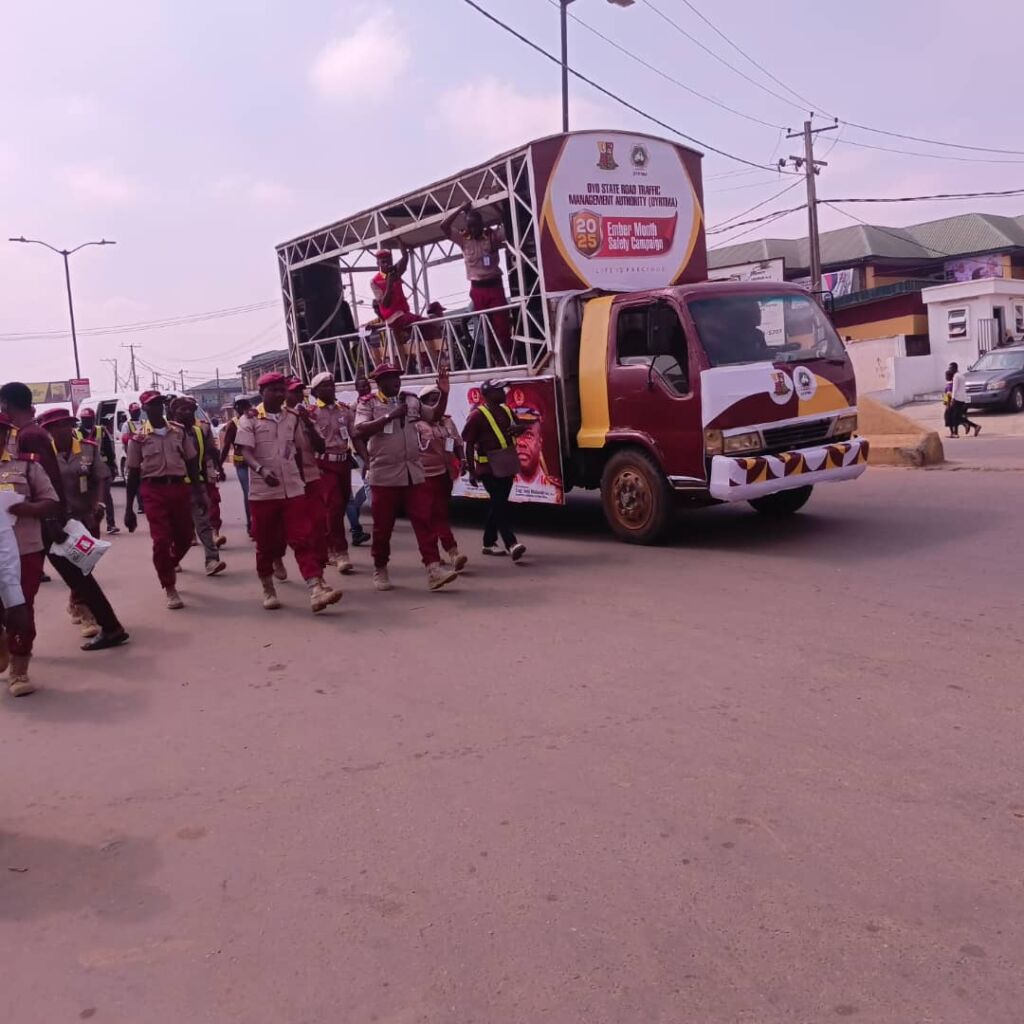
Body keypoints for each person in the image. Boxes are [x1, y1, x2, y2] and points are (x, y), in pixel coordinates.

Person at [0, 381, 128, 651]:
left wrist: (52, 520)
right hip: (47, 520)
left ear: (6, 404)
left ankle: (111, 627)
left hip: (47, 522)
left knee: (76, 577)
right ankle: (110, 625)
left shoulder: (30, 435)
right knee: (76, 577)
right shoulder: (28, 433)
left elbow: (49, 479)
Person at [234, 373, 341, 614]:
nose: (279, 394)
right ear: (262, 393)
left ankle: (316, 587)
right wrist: (261, 470)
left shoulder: (292, 417)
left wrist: (301, 479)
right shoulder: (250, 419)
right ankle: (268, 588)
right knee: (265, 544)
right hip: (263, 493)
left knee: (302, 538)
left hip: (292, 489)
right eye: (273, 390)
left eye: (282, 390)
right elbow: (245, 452)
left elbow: (298, 450)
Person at [352, 360, 459, 592]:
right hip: (384, 474)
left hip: (413, 471)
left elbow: (434, 415)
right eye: (390, 378)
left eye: (397, 377)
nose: (396, 381)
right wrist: (389, 416)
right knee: (383, 528)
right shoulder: (368, 403)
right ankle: (380, 568)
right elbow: (359, 430)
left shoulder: (410, 400)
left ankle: (433, 569)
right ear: (379, 382)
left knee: (424, 521)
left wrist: (444, 393)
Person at [125, 390, 208, 609]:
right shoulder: (138, 438)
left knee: (185, 537)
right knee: (161, 540)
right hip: (153, 490)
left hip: (179, 487)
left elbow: (192, 463)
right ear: (144, 409)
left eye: (160, 403)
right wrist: (129, 508)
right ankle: (169, 586)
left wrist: (200, 492)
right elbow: (133, 473)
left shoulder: (178, 432)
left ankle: (168, 564)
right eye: (152, 405)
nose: (157, 407)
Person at [0, 412, 61, 695]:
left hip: (24, 549)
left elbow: (51, 501)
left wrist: (28, 509)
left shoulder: (26, 465)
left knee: (21, 607)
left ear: (7, 434)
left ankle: (19, 667)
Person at [39, 407, 111, 639]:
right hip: (60, 521)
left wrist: (99, 504)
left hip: (86, 517)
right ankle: (86, 612)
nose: (62, 430)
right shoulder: (43, 456)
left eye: (66, 424)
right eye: (55, 427)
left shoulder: (88, 448)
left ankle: (75, 601)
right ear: (49, 431)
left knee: (86, 563)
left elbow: (101, 478)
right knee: (74, 566)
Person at [309, 370, 370, 574]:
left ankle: (328, 546)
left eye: (332, 385)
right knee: (334, 507)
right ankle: (341, 552)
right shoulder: (312, 413)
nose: (330, 389)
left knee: (342, 504)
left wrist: (366, 459)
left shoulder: (344, 410)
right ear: (315, 392)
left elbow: (355, 436)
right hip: (324, 465)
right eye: (325, 386)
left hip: (343, 463)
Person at [462, 380, 527, 561]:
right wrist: (472, 471)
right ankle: (511, 543)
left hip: (506, 463)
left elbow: (520, 427)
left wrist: (519, 429)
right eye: (498, 390)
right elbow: (469, 444)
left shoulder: (506, 409)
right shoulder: (477, 416)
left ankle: (488, 543)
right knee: (500, 505)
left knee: (498, 504)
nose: (503, 393)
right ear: (488, 395)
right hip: (487, 468)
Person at [441, 200, 512, 360]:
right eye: (470, 226)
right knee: (486, 327)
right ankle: (496, 360)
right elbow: (443, 227)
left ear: (482, 224)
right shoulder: (463, 239)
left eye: (476, 225)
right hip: (477, 289)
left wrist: (494, 206)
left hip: (494, 286)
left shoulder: (492, 236)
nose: (473, 229)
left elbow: (508, 223)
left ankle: (509, 357)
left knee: (502, 325)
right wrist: (460, 209)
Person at [168, 397, 227, 577]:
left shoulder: (199, 432)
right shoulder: (167, 433)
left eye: (191, 410)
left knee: (204, 523)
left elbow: (209, 452)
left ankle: (212, 560)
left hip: (196, 485)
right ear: (174, 412)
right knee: (178, 528)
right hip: (174, 487)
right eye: (183, 410)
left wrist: (218, 468)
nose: (188, 413)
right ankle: (173, 559)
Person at [417, 384, 468, 572]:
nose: (437, 404)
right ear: (423, 404)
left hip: (446, 473)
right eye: (432, 401)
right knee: (435, 514)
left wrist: (462, 460)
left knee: (440, 513)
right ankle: (452, 551)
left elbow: (457, 442)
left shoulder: (447, 421)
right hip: (425, 475)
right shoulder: (416, 424)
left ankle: (436, 556)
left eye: (439, 400)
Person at [285, 377, 330, 575]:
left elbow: (321, 447)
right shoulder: (277, 418)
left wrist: (307, 423)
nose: (298, 395)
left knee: (319, 522)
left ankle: (318, 568)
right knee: (296, 528)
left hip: (311, 477)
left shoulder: (307, 416)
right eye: (294, 391)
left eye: (300, 391)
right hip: (289, 480)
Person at [370, 244, 440, 371]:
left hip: (403, 313)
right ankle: (427, 364)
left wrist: (399, 242)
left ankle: (429, 362)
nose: (386, 264)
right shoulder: (375, 281)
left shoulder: (395, 272)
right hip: (393, 317)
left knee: (426, 327)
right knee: (424, 325)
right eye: (383, 262)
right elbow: (384, 304)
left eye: (388, 261)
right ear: (378, 263)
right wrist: (389, 284)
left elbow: (405, 259)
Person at [77, 407, 120, 534]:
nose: (87, 421)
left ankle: (111, 524)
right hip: (85, 470)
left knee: (106, 495)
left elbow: (109, 449)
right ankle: (86, 524)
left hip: (102, 467)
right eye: (85, 419)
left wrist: (112, 466)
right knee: (85, 496)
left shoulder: (101, 431)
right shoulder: (76, 433)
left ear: (93, 419)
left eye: (89, 419)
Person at [511, 404, 563, 503]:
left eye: (528, 435)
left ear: (540, 442)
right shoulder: (501, 486)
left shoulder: (556, 491)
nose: (521, 443)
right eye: (516, 434)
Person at [219, 397, 255, 538]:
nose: (243, 409)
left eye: (245, 405)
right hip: (242, 464)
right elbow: (226, 446)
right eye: (239, 406)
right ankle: (250, 525)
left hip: (257, 463)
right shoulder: (233, 424)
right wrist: (219, 465)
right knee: (248, 493)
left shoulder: (256, 419)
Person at [346, 373, 373, 546]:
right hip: (360, 450)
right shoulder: (353, 407)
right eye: (361, 386)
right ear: (356, 389)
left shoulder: (374, 402)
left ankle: (355, 507)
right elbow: (355, 432)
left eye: (367, 386)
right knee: (369, 481)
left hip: (374, 448)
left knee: (370, 481)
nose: (365, 389)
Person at [121, 402, 145, 515]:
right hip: (132, 456)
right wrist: (136, 436)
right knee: (135, 482)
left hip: (145, 456)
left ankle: (144, 503)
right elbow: (124, 439)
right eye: (134, 411)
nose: (137, 413)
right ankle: (141, 505)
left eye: (138, 411)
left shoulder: (144, 423)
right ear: (130, 412)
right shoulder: (126, 425)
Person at [949, 362, 981, 437]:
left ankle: (956, 433)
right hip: (962, 398)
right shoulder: (961, 375)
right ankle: (974, 426)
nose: (950, 370)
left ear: (955, 368)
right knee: (957, 416)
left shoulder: (956, 376)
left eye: (951, 368)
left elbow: (955, 388)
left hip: (957, 398)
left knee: (955, 416)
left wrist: (952, 398)